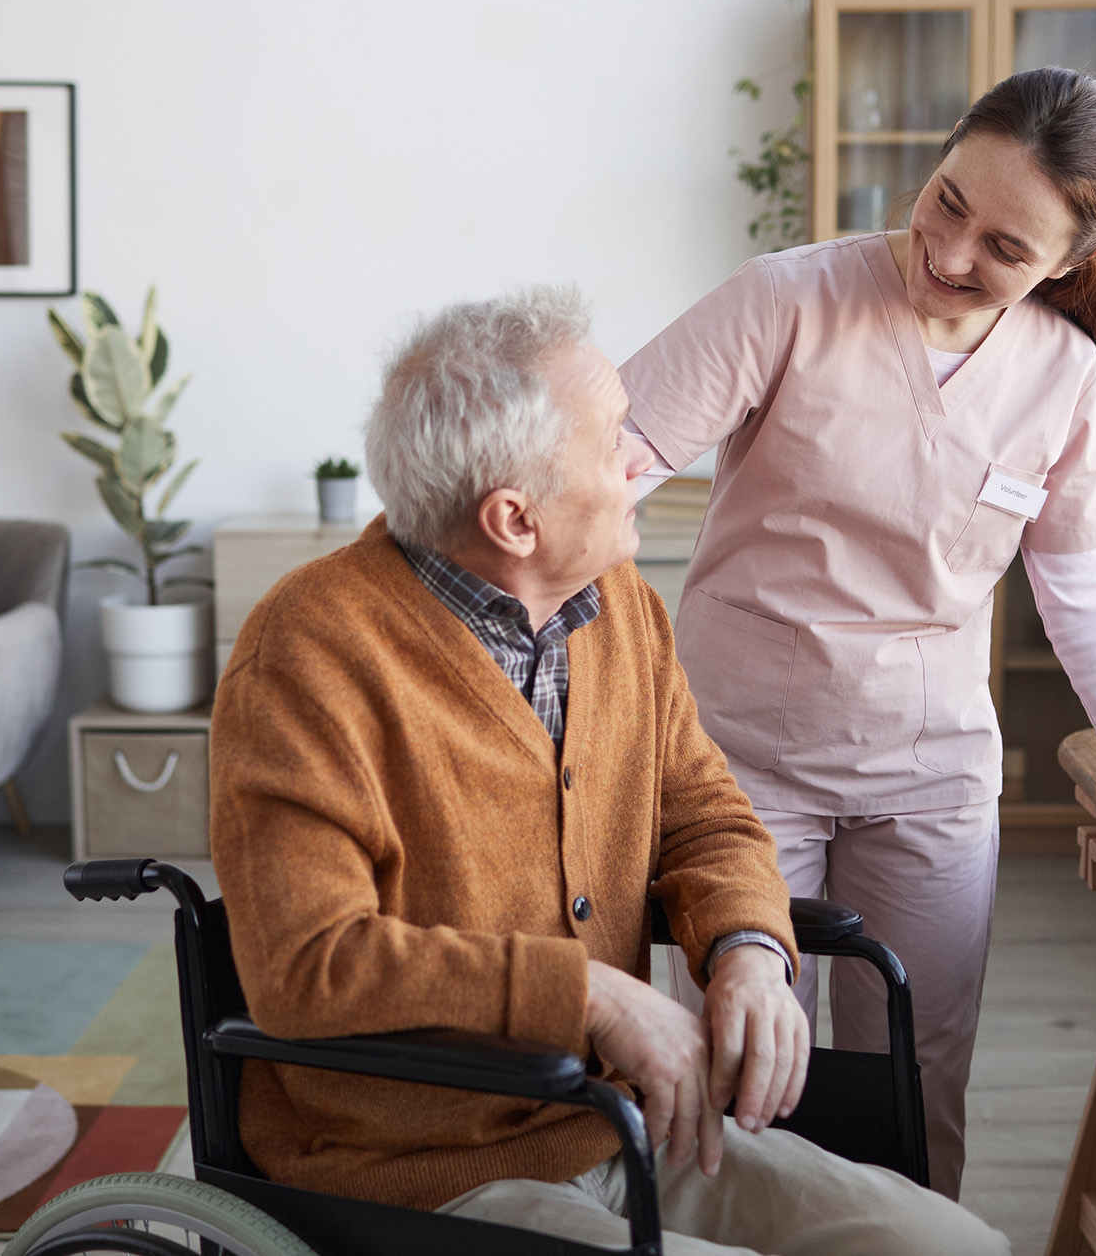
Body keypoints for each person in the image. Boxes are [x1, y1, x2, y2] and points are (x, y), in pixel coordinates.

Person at [617, 67, 1096, 1199]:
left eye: (1006, 247)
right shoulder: (789, 300)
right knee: (737, 1070)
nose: (951, 253)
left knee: (912, 1078)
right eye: (949, 199)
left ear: (1071, 261)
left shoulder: (1063, 380)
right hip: (737, 769)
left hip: (929, 779)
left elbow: (1087, 604)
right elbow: (603, 473)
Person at [208, 288, 1009, 1256]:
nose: (646, 459)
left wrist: (750, 945)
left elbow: (705, 814)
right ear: (515, 518)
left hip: (624, 1122)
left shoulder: (618, 604)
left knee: (955, 1250)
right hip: (411, 1169)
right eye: (613, 441)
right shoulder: (308, 656)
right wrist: (586, 994)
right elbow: (308, 968)